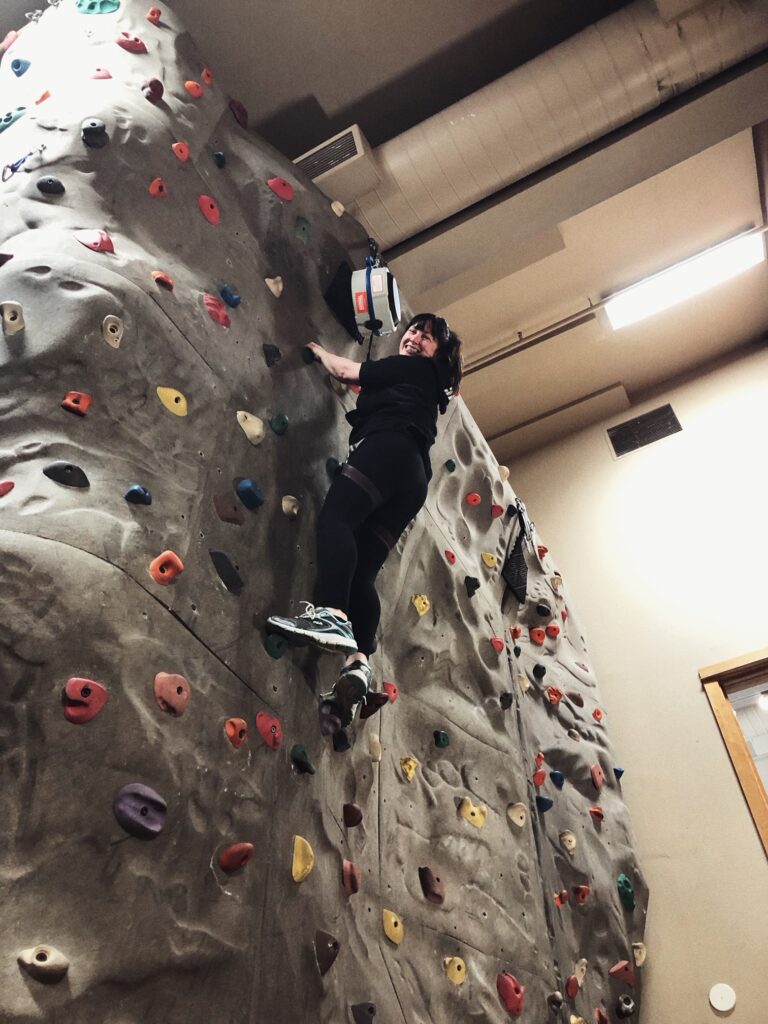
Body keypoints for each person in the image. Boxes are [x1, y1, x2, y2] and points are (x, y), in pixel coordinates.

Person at [266, 313, 463, 736]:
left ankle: (331, 617)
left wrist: (317, 350)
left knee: (337, 517)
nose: (414, 338)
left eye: (427, 338)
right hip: (412, 481)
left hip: (387, 448)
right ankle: (358, 665)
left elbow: (347, 370)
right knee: (363, 574)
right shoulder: (425, 389)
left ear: (438, 355)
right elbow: (363, 384)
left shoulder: (414, 368)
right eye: (413, 331)